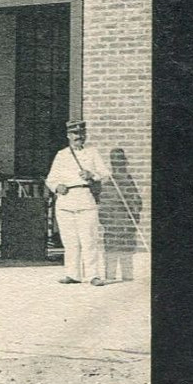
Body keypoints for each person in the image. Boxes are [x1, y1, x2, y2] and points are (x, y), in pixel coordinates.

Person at [45, 119, 111, 287]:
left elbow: (105, 175)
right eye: (75, 134)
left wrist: (92, 175)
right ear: (68, 136)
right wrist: (56, 187)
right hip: (66, 200)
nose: (78, 137)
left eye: (81, 134)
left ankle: (93, 275)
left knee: (88, 239)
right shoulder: (61, 155)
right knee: (70, 241)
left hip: (85, 197)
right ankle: (72, 274)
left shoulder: (92, 153)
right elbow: (50, 179)